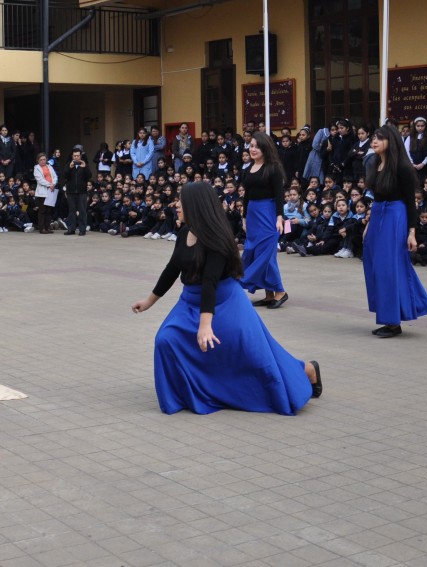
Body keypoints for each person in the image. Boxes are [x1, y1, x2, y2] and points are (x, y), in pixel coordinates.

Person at [131, 182, 321, 415]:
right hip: (190, 303)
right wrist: (150, 300)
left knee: (255, 358)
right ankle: (185, 395)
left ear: (196, 205)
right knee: (166, 340)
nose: (177, 205)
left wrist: (205, 326)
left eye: (182, 201)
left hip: (225, 303)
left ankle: (307, 370)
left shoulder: (218, 239)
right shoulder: (183, 233)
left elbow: (210, 283)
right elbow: (172, 269)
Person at [363, 125, 427, 338]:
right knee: (374, 265)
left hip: (396, 216)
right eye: (374, 138)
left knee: (389, 267)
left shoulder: (402, 167)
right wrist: (368, 224)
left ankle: (393, 322)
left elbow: (411, 203)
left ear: (390, 141)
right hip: (378, 215)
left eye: (379, 138)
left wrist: (412, 232)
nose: (374, 141)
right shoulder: (374, 163)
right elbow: (376, 197)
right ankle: (389, 316)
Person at [241, 132, 289, 308]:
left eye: (256, 146)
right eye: (251, 146)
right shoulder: (247, 170)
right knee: (254, 252)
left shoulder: (273, 168)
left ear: (265, 148)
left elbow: (279, 195)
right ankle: (270, 294)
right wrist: (244, 217)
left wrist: (279, 218)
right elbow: (246, 196)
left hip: (268, 213)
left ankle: (280, 292)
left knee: (266, 254)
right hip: (253, 214)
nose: (252, 149)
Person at [60, 148, 91, 236]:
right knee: (71, 211)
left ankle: (82, 229)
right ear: (72, 156)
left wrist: (85, 168)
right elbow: (64, 175)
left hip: (82, 192)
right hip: (71, 191)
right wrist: (70, 167)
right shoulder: (68, 164)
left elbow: (89, 176)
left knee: (82, 211)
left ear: (80, 156)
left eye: (78, 156)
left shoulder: (84, 164)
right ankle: (71, 229)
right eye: (75, 156)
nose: (76, 157)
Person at [33, 152, 58, 234]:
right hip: (42, 192)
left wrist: (53, 184)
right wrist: (49, 184)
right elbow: (40, 180)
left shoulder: (50, 167)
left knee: (48, 210)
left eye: (44, 159)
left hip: (51, 190)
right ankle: (42, 228)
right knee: (42, 210)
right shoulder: (36, 168)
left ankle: (48, 227)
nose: (43, 161)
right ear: (38, 161)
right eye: (41, 160)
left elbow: (55, 176)